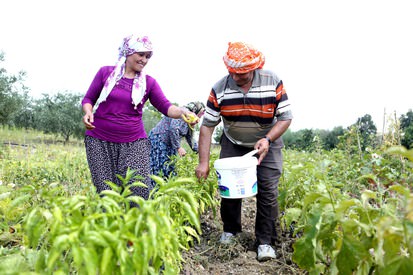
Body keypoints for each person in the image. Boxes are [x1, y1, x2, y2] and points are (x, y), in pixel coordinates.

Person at [195, 42, 293, 262]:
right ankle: (230, 231)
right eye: (232, 73)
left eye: (242, 74)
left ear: (254, 68)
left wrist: (268, 139)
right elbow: (207, 126)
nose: (237, 77)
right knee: (230, 188)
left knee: (267, 190)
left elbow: (285, 118)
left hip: (268, 139)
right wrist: (203, 162)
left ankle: (265, 242)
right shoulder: (219, 88)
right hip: (234, 141)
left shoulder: (272, 81)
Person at [81, 34, 197, 201]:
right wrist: (88, 111)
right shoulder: (106, 73)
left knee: (138, 190)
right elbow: (88, 99)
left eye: (147, 56)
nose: (144, 60)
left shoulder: (148, 83)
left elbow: (166, 107)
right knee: (106, 192)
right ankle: (112, 225)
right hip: (99, 140)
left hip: (134, 143)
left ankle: (136, 224)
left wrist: (183, 111)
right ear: (128, 52)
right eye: (141, 54)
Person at [149, 101, 205, 178]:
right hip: (159, 140)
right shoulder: (182, 113)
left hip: (170, 144)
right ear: (194, 112)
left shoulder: (189, 122)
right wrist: (179, 147)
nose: (198, 120)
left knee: (170, 167)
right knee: (160, 168)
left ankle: (167, 188)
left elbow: (191, 139)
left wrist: (201, 152)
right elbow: (173, 128)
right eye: (199, 116)